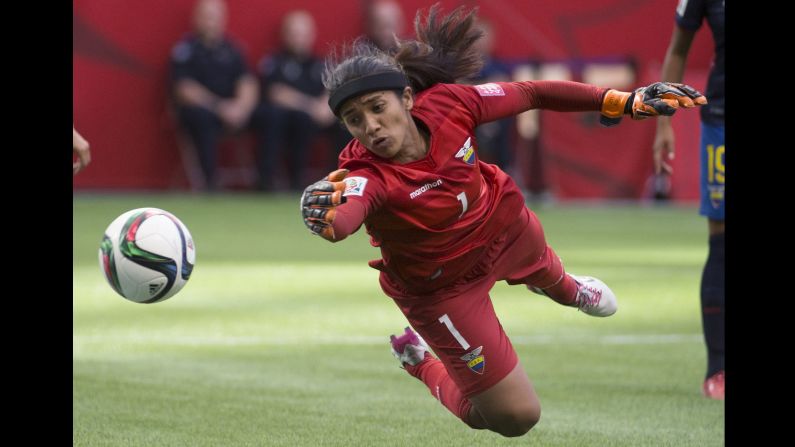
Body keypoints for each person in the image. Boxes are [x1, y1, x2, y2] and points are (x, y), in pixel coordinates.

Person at [301, 5, 706, 437]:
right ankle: (422, 363)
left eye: (377, 107)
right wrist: (318, 211)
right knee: (513, 418)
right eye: (354, 120)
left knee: (550, 272)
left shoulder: (450, 105)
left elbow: (531, 93)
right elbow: (343, 219)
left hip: (501, 226)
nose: (371, 127)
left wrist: (623, 101)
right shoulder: (364, 174)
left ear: (406, 97)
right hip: (442, 288)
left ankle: (567, 287)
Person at [652, 0, 724, 400]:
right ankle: (718, 369)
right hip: (722, 122)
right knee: (721, 240)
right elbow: (678, 50)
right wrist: (664, 122)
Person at [170, 0, 259, 190]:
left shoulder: (233, 49)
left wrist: (241, 108)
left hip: (232, 111)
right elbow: (184, 89)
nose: (211, 21)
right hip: (204, 110)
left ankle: (266, 180)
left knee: (270, 116)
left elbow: (247, 82)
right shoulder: (186, 50)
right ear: (197, 19)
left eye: (215, 16)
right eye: (207, 16)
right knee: (201, 117)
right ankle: (209, 183)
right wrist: (220, 108)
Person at [256, 10, 342, 191]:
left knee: (345, 123)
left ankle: (338, 181)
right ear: (285, 35)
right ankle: (273, 182)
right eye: (294, 33)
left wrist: (326, 106)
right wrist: (311, 107)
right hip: (285, 120)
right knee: (287, 118)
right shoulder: (275, 61)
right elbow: (277, 93)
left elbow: (331, 88)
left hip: (314, 119)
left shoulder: (320, 63)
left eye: (303, 34)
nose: (298, 38)